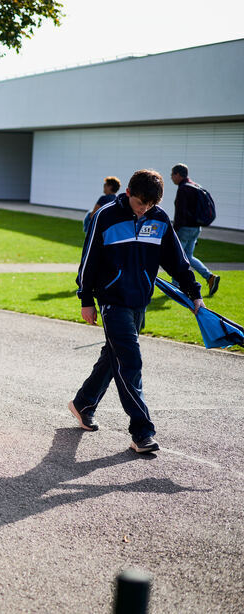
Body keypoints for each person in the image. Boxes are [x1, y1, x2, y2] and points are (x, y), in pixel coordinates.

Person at [71, 169, 204, 454]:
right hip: (111, 300)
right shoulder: (105, 216)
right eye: (140, 203)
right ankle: (142, 431)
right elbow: (89, 260)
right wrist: (86, 299)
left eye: (150, 205)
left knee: (114, 356)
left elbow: (177, 261)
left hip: (139, 301)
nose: (144, 209)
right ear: (128, 193)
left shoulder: (159, 219)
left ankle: (83, 403)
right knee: (130, 362)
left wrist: (194, 292)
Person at [171, 163, 220, 296]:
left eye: (172, 174)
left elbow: (180, 213)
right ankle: (210, 277)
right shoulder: (196, 186)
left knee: (178, 257)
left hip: (185, 228)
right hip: (196, 228)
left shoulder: (183, 189)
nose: (171, 177)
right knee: (189, 256)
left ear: (178, 174)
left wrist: (174, 231)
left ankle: (174, 287)